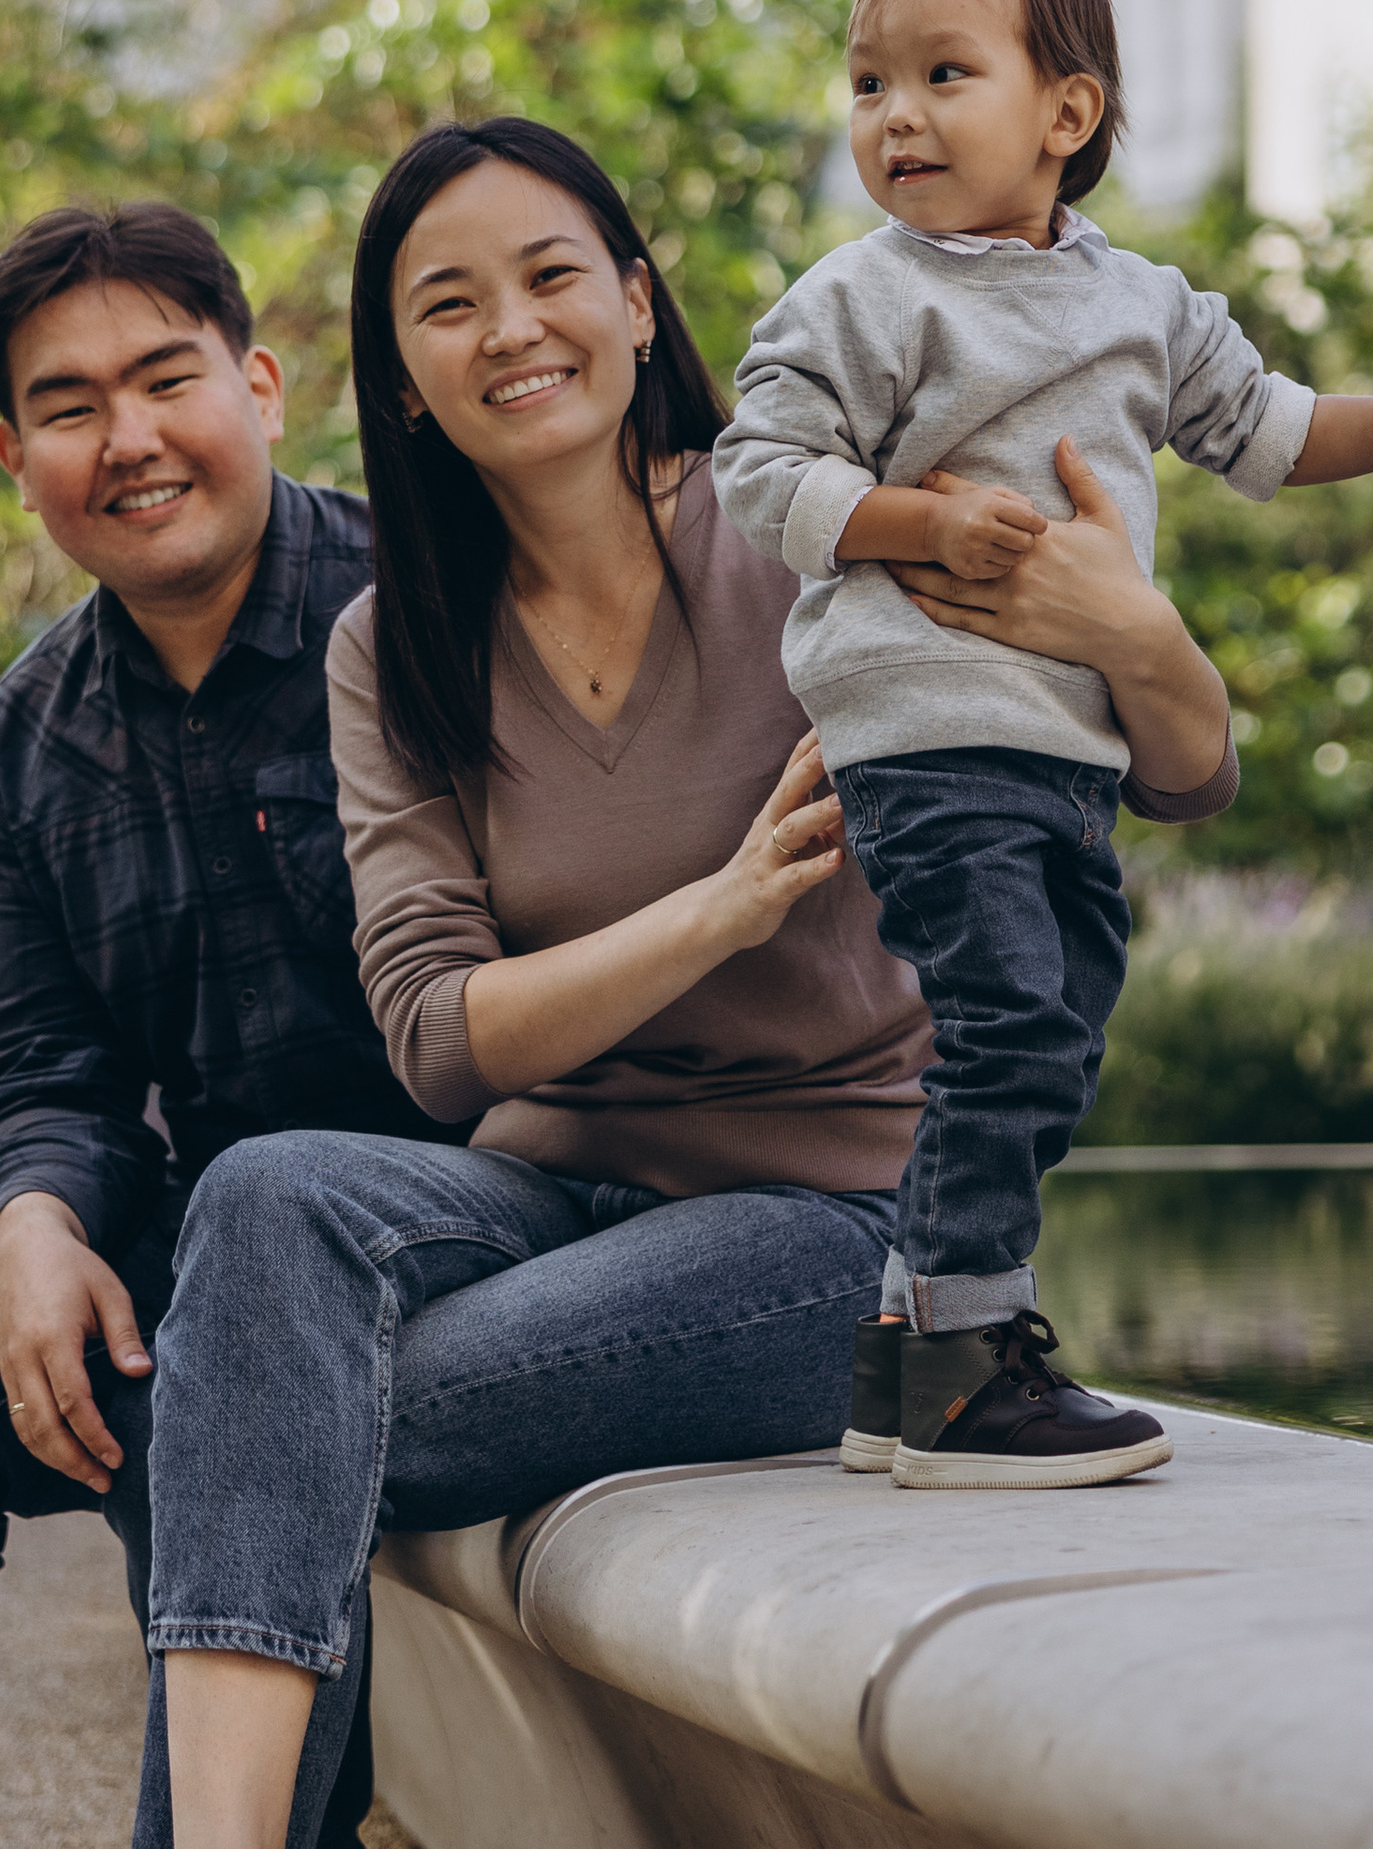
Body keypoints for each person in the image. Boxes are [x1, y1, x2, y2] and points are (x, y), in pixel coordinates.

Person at [136, 113, 1239, 1849]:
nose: (511, 327)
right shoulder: (392, 644)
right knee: (267, 1202)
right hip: (533, 1186)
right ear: (404, 380)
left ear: (641, 308)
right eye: (447, 303)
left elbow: (1178, 773)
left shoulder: (819, 537)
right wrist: (717, 913)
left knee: (264, 1399)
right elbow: (435, 1046)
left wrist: (1139, 633)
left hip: (820, 1227)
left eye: (552, 274)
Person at [714, 0, 1373, 1490]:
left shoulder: (1149, 304)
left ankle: (899, 1362)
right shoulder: (862, 297)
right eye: (868, 83)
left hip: (1062, 744)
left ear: (1066, 112)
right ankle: (972, 1367)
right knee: (1013, 1022)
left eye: (941, 74)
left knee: (1051, 1019)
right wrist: (915, 525)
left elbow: (1278, 432)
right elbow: (753, 469)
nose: (894, 116)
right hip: (925, 721)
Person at [0, 199, 454, 1849]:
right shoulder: (29, 738)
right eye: (69, 408)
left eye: (165, 379)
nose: (127, 439)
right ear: (16, 456)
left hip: (467, 1216)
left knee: (235, 1301)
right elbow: (42, 1059)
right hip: (215, 1229)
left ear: (263, 385)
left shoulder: (430, 611)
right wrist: (34, 1222)